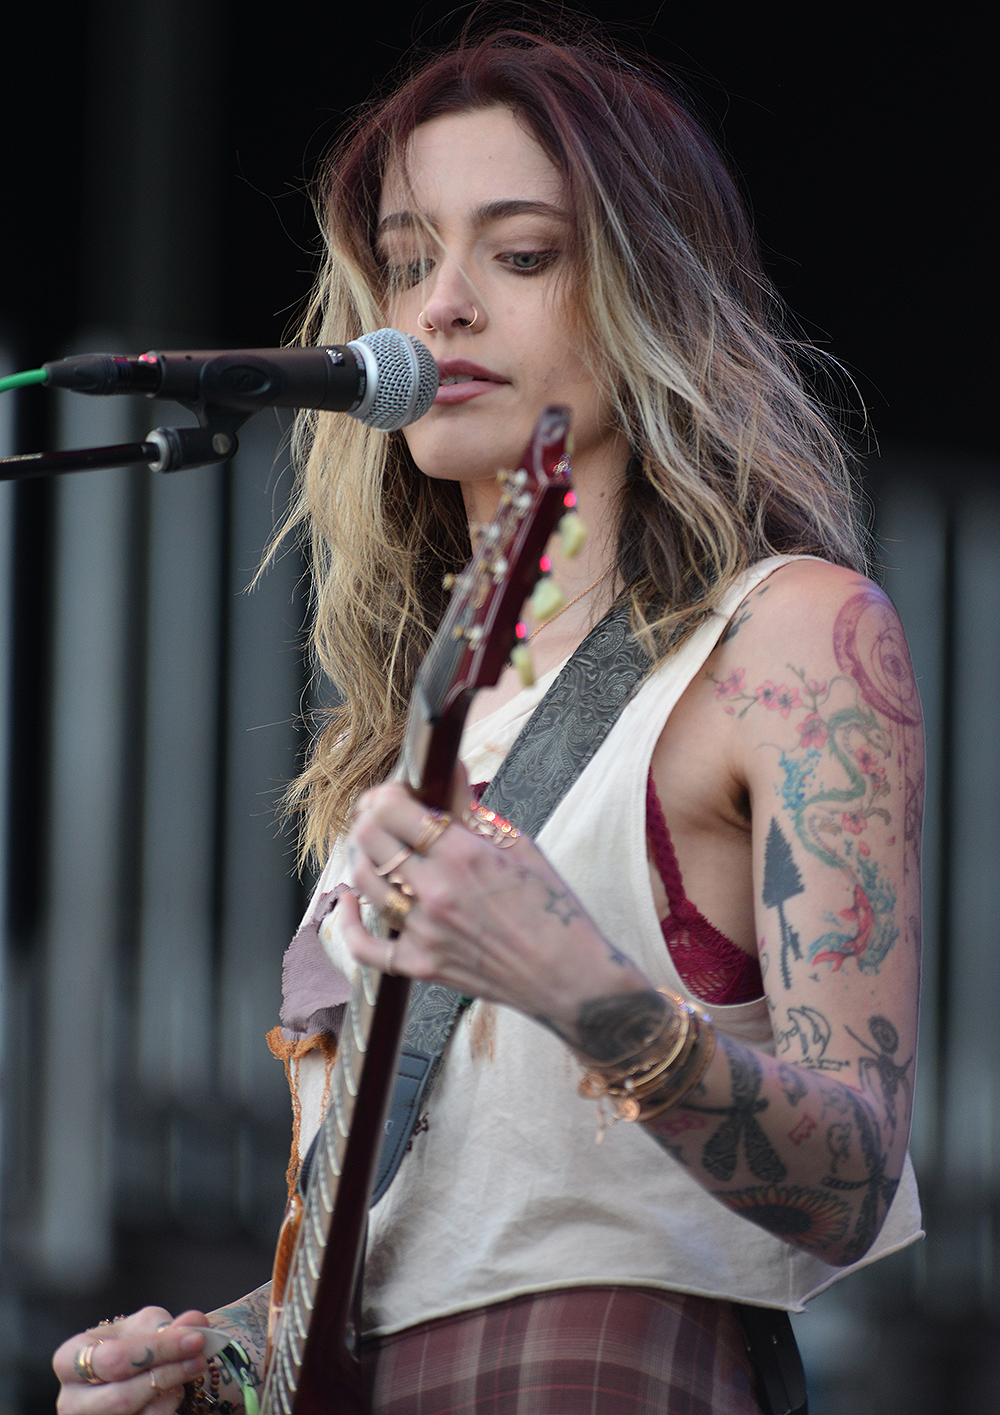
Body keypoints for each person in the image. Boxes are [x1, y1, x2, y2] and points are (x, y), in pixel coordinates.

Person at [53, 21, 923, 1415]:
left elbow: (855, 1177)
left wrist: (579, 985)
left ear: (651, 296)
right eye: (406, 260)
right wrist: (218, 1356)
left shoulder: (788, 636)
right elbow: (455, 1230)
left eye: (518, 254)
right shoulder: (407, 739)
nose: (440, 305)